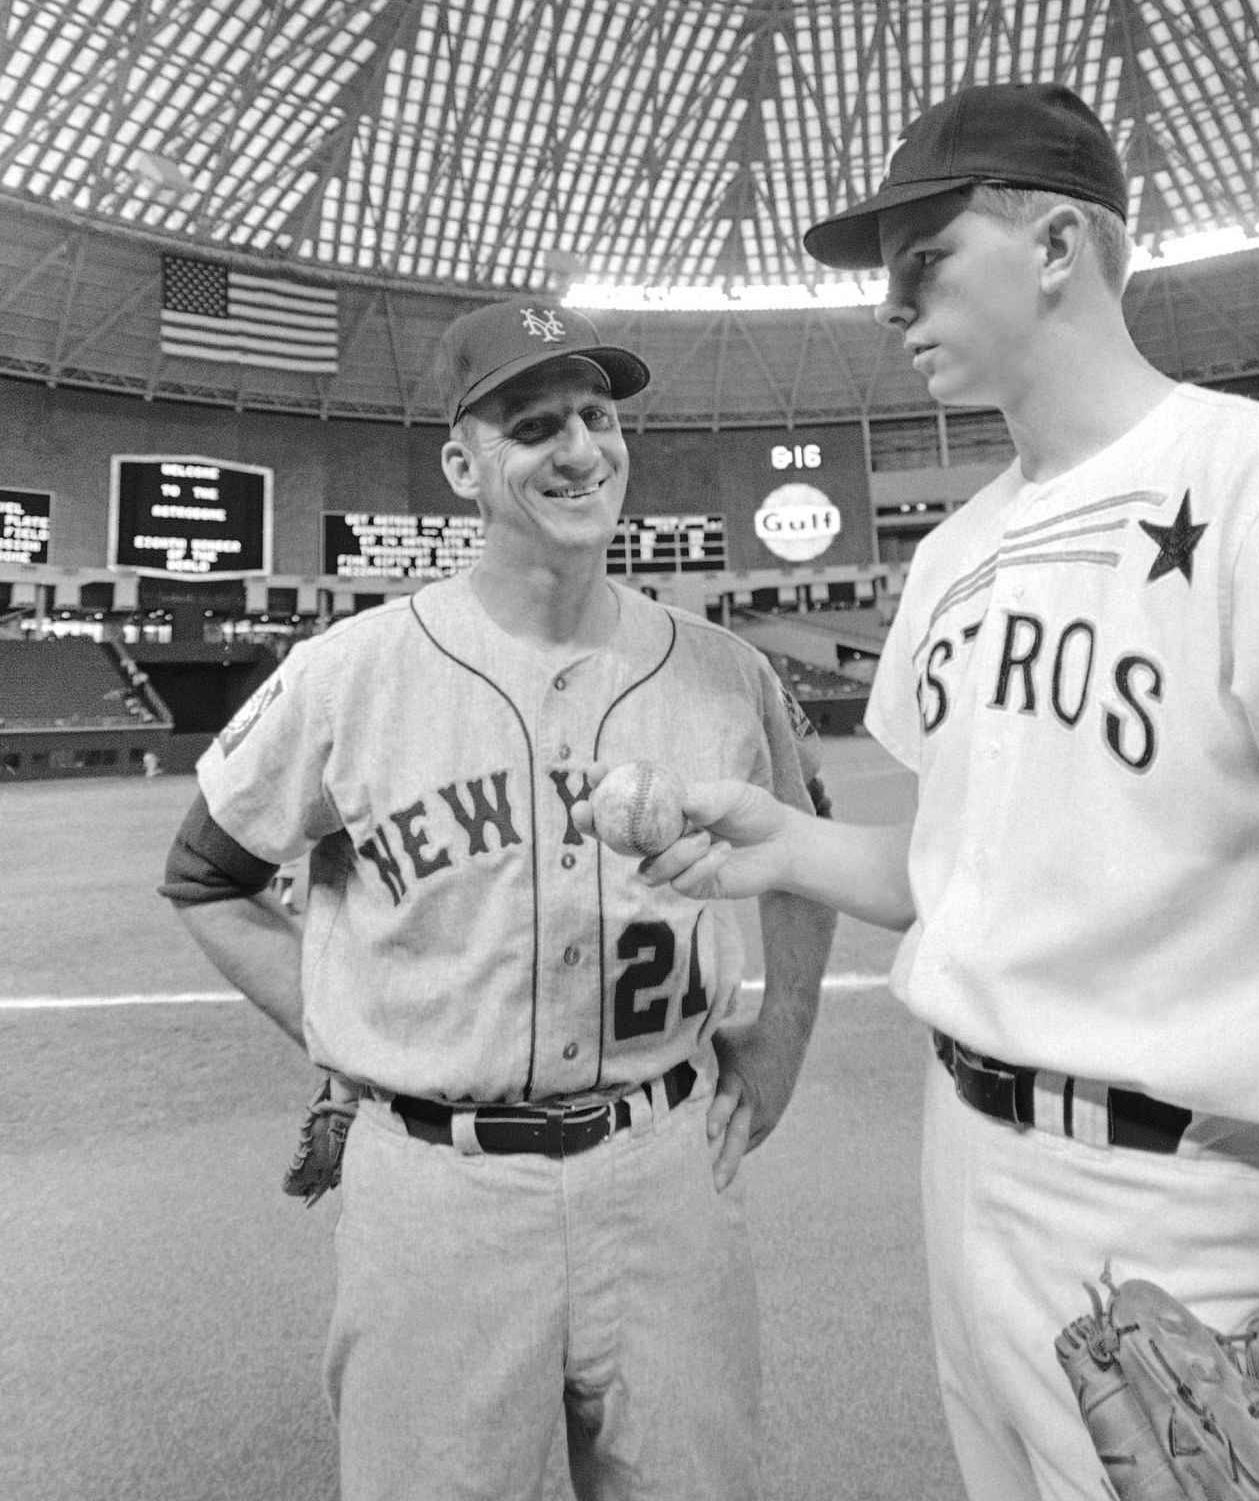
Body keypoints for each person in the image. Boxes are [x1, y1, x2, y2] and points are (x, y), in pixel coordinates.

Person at [632, 82, 1259, 1501]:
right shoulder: (951, 554)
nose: (890, 302)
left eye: (923, 259)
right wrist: (782, 845)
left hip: (1195, 1202)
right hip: (965, 1172)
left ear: (1055, 247)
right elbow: (973, 874)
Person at [160, 297, 835, 1501]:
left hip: (666, 1177)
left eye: (597, 415)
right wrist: (338, 1030)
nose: (580, 448)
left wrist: (778, 1034)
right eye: (535, 425)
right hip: (436, 1195)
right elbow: (203, 873)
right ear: (461, 463)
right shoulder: (346, 673)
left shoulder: (728, 673)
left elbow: (803, 852)